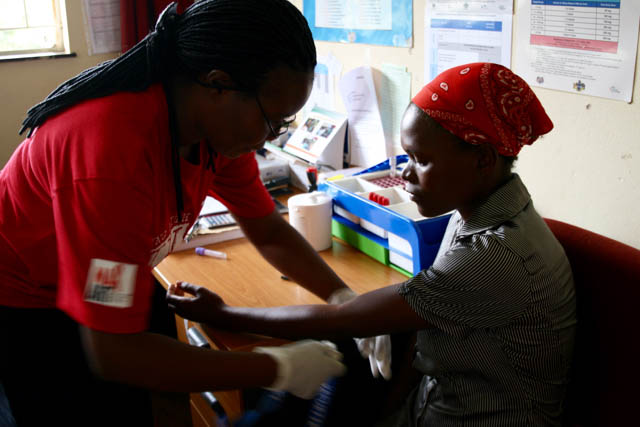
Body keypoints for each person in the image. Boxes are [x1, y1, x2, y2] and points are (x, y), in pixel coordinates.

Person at [0, 1, 383, 425]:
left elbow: (267, 229)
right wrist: (279, 367)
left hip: (114, 271)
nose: (270, 137)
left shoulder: (215, 128)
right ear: (218, 84)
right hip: (30, 300)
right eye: (273, 121)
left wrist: (345, 304)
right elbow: (113, 352)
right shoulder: (111, 155)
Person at [167, 63, 578, 426]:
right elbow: (421, 329)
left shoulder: (496, 256)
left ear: (483, 159)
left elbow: (344, 320)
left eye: (421, 160)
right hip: (433, 404)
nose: (405, 175)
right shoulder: (473, 211)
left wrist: (227, 313)